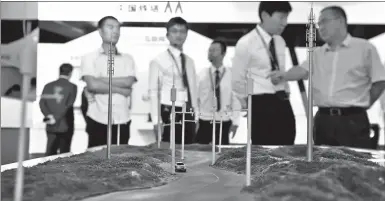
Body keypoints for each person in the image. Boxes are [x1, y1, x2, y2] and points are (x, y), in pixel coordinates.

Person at [270, 6, 385, 149]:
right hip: (323, 121)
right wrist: (284, 75)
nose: (320, 28)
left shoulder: (364, 48)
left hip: (352, 121)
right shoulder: (317, 53)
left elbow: (380, 81)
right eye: (319, 24)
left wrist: (365, 104)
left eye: (324, 22)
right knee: (323, 166)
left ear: (341, 22)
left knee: (353, 166)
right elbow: (301, 70)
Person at [231, 1, 296, 145]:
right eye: (281, 17)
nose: (285, 23)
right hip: (261, 103)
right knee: (264, 152)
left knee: (287, 147)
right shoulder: (246, 42)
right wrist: (247, 103)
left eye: (286, 18)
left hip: (283, 100)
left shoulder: (280, 41)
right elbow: (237, 79)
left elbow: (280, 68)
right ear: (265, 15)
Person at [80, 16, 137, 147]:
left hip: (123, 119)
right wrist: (122, 90)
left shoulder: (128, 59)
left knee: (121, 163)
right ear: (100, 31)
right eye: (110, 27)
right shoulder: (89, 58)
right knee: (96, 163)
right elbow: (92, 85)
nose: (115, 31)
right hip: (97, 118)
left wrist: (100, 80)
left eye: (118, 28)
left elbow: (128, 82)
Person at [148, 17, 198, 144]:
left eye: (182, 31)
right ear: (167, 35)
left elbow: (193, 89)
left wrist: (196, 116)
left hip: (188, 111)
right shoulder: (158, 60)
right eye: (174, 31)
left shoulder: (190, 61)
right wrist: (156, 121)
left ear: (187, 34)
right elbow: (154, 92)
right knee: (169, 154)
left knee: (188, 153)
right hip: (168, 110)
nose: (179, 35)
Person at [195, 39, 241, 145]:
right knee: (199, 155)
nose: (210, 52)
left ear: (223, 53)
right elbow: (195, 99)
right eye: (209, 50)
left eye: (214, 50)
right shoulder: (201, 75)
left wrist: (236, 121)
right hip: (204, 121)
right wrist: (195, 119)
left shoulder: (231, 75)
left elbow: (235, 100)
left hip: (223, 121)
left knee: (221, 156)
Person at [39, 63, 77, 156]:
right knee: (64, 153)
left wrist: (49, 116)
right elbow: (68, 105)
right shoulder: (72, 86)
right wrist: (56, 118)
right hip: (65, 124)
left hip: (50, 124)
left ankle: (46, 170)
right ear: (70, 73)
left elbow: (42, 103)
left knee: (50, 151)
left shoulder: (48, 86)